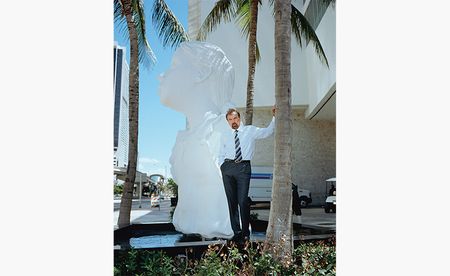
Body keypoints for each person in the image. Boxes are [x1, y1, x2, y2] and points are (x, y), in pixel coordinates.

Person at [158, 41, 236, 239]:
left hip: (217, 241)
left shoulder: (221, 130)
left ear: (202, 73)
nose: (162, 75)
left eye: (174, 65)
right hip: (190, 235)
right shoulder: (186, 138)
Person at [219, 107, 276, 243]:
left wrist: (274, 117)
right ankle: (236, 232)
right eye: (230, 119)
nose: (233, 121)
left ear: (240, 118)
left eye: (235, 118)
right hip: (228, 168)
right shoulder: (225, 135)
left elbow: (267, 132)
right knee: (231, 202)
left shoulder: (250, 131)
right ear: (227, 121)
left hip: (243, 167)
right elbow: (220, 153)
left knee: (243, 201)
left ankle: (245, 232)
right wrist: (222, 166)